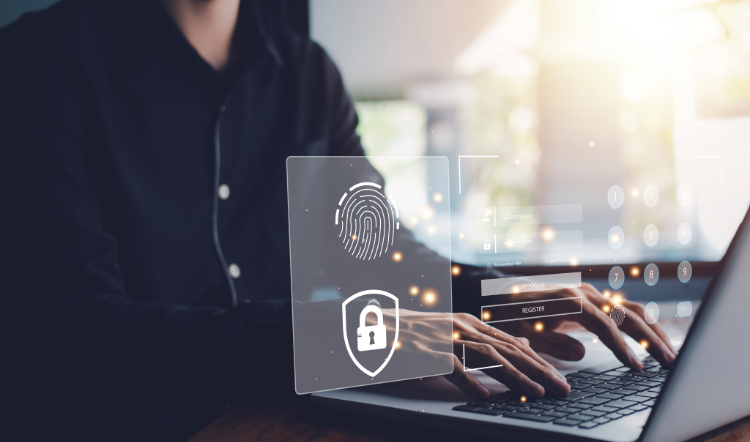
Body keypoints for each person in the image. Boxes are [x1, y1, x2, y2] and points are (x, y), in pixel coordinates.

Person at [0, 0, 675, 439]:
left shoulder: (305, 73)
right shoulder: (42, 65)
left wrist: (505, 299)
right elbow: (80, 334)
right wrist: (356, 340)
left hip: (283, 418)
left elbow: (376, 257)